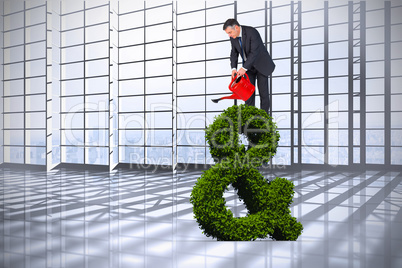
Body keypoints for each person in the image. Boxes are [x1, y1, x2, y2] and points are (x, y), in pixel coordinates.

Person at [223, 18, 275, 114]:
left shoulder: (252, 32)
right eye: (228, 33)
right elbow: (234, 53)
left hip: (261, 65)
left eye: (230, 32)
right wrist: (233, 68)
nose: (229, 35)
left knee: (263, 94)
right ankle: (250, 120)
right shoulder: (233, 37)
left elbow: (254, 52)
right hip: (249, 67)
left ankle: (264, 120)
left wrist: (244, 68)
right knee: (248, 94)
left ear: (236, 27)